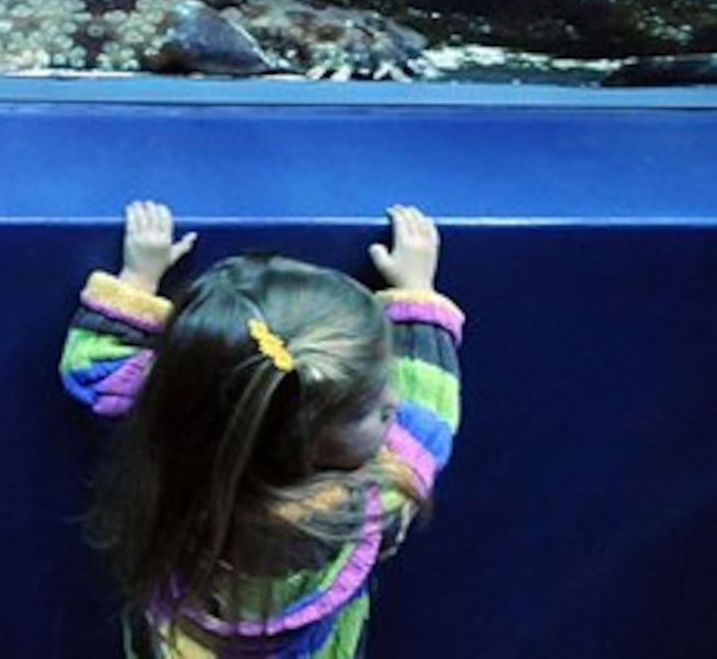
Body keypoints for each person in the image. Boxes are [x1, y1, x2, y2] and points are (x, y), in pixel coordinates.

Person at [60, 202, 462, 658]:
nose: (395, 401)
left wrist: (138, 279)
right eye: (370, 408)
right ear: (300, 440)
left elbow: (94, 367)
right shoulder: (371, 506)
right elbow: (431, 409)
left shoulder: (179, 427)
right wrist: (417, 292)